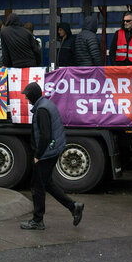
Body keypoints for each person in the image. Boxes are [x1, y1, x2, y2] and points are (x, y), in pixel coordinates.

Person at [19, 82, 84, 230]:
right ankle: (74, 207)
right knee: (47, 183)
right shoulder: (47, 103)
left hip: (46, 153)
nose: (27, 99)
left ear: (33, 96)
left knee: (37, 187)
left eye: (27, 96)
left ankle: (37, 220)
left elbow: (45, 136)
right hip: (52, 150)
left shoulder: (41, 110)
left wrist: (38, 155)